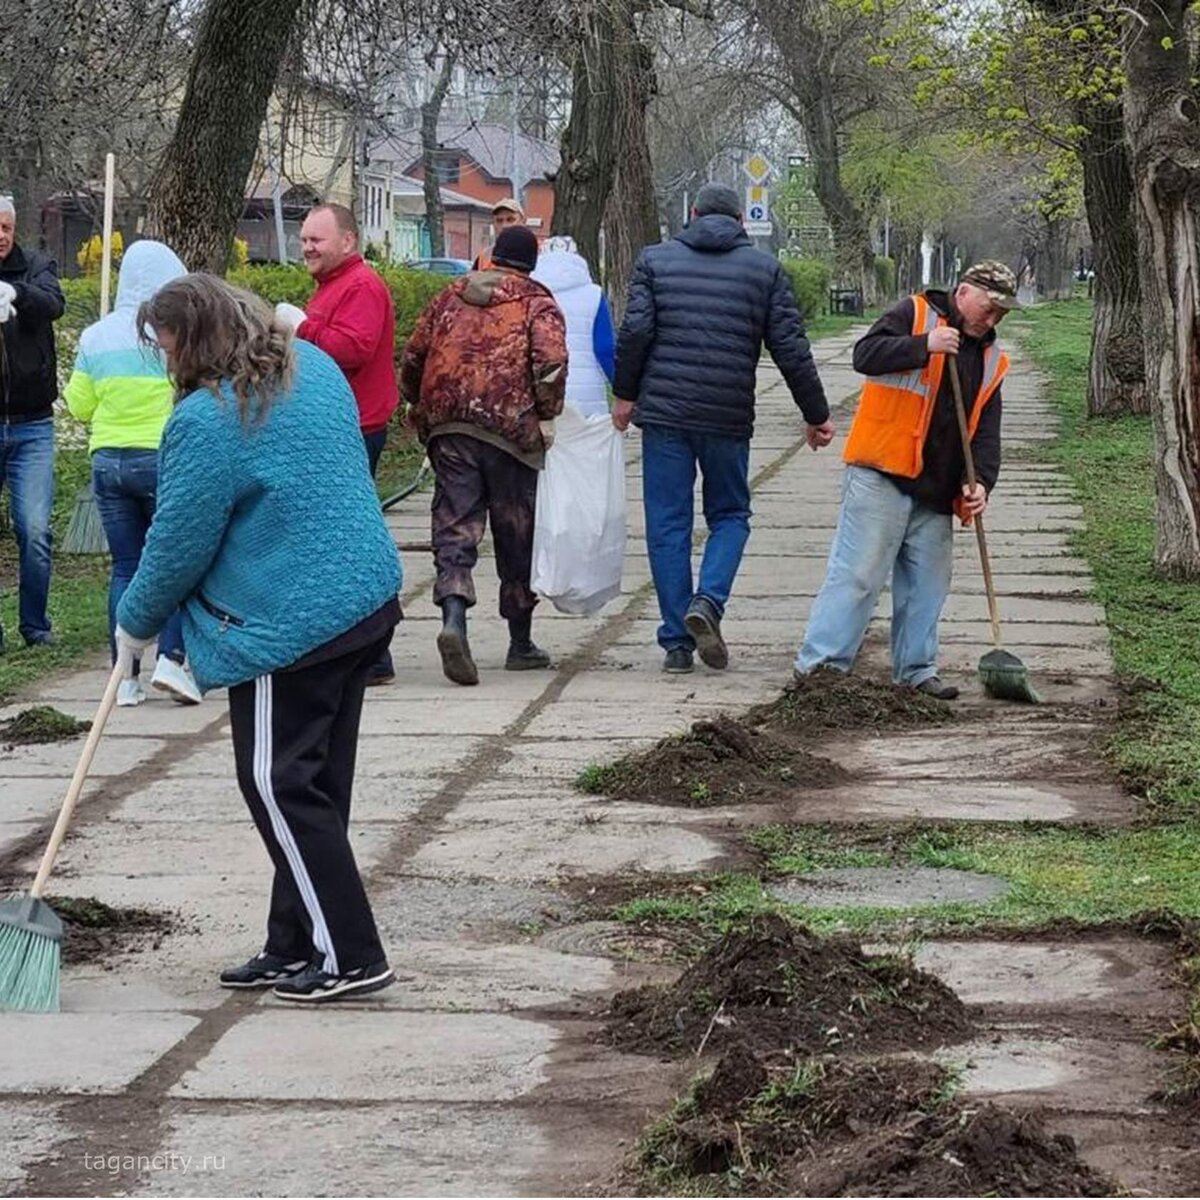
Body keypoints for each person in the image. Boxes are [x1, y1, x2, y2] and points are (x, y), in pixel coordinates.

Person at [116, 275, 402, 1002]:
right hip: (363, 602)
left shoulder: (211, 421)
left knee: (277, 783)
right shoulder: (317, 370)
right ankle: (292, 943)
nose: (166, 361)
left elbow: (178, 541)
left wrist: (134, 623)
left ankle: (353, 956)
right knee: (315, 786)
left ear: (198, 340)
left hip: (293, 624)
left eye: (169, 345)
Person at [612, 182, 833, 675]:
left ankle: (675, 643)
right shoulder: (764, 270)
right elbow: (791, 348)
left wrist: (625, 395)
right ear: (739, 222)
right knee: (730, 514)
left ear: (691, 214)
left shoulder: (655, 261)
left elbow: (636, 331)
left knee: (667, 523)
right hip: (727, 416)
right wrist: (816, 414)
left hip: (666, 415)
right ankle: (708, 601)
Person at [794, 260, 1018, 700]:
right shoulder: (913, 314)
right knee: (858, 576)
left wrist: (981, 485)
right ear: (964, 291)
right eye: (989, 308)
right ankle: (820, 672)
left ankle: (916, 672)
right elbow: (865, 355)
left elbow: (986, 433)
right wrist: (925, 345)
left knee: (927, 585)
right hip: (882, 470)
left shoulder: (993, 360)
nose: (992, 320)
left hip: (937, 487)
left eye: (1001, 314)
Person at [400, 224, 567, 686]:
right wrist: (547, 413)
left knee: (455, 525)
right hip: (511, 432)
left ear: (493, 257)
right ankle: (520, 642)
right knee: (516, 534)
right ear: (532, 262)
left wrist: (417, 402)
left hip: (451, 427)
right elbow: (551, 363)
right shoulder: (537, 302)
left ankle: (454, 620)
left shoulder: (451, 295)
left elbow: (414, 355)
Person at [65, 240, 202, 707]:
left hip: (108, 463)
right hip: (164, 459)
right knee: (174, 563)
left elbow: (78, 405)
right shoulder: (171, 334)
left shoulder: (95, 336)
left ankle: (125, 677)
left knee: (126, 568)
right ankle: (171, 659)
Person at [281, 202, 398, 685]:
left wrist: (301, 328)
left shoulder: (362, 286)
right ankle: (359, 646)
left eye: (316, 239)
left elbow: (353, 349)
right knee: (343, 536)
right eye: (304, 238)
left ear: (347, 242)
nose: (306, 247)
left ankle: (372, 649)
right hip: (339, 426)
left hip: (357, 428)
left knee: (349, 539)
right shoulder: (335, 286)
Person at [0, 195, 65, 652]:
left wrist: (16, 294)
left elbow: (53, 304)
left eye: (5, 228)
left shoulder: (37, 265)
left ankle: (35, 626)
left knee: (35, 529)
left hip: (32, 425)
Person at [532, 235, 614, 418]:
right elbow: (605, 348)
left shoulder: (533, 295)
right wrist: (620, 388)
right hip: (587, 391)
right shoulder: (594, 294)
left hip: (544, 389)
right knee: (586, 445)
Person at [473, 197, 525, 270]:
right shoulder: (485, 256)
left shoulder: (539, 253)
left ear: (522, 221)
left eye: (510, 219)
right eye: (499, 221)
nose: (505, 225)